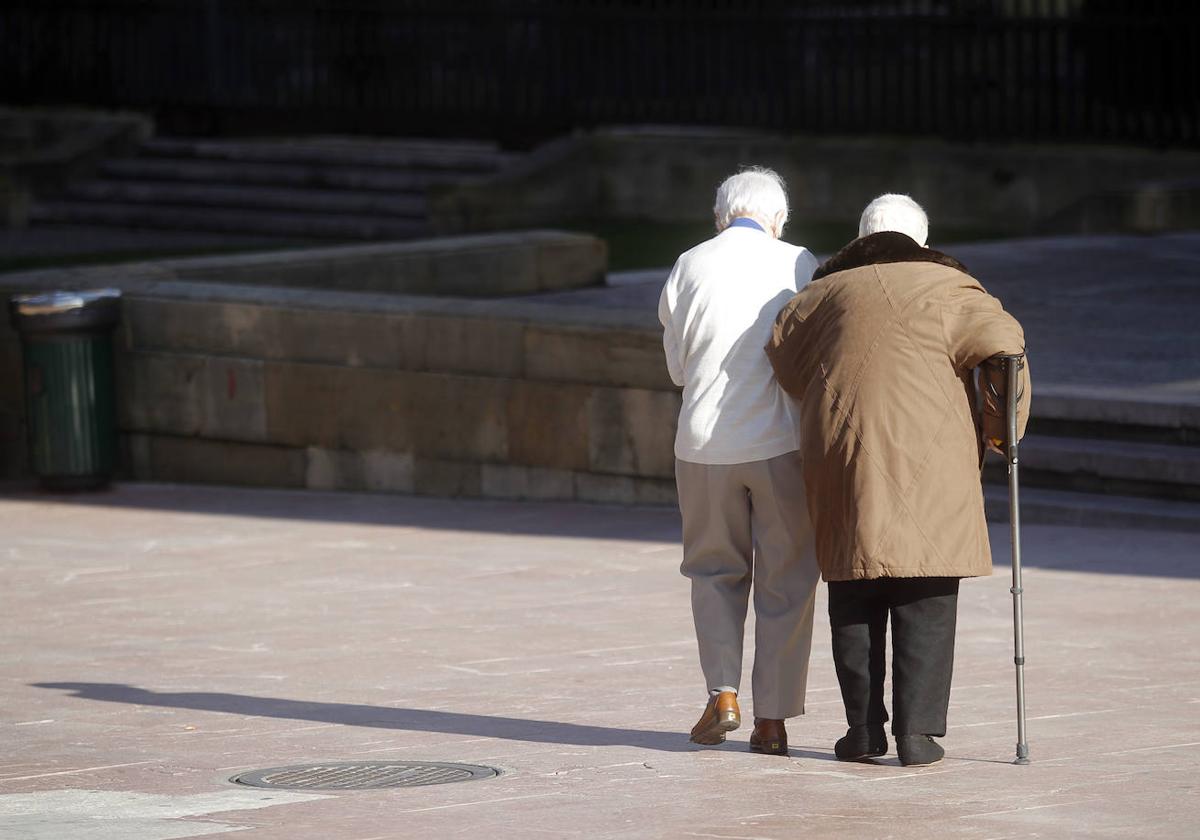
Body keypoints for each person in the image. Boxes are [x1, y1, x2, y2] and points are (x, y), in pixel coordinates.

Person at [766, 193, 1032, 767]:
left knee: (854, 591)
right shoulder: (954, 290)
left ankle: (862, 732)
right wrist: (1001, 432)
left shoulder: (819, 296)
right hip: (934, 467)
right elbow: (1006, 348)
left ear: (862, 237)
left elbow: (785, 363)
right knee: (927, 594)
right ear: (923, 239)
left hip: (845, 463)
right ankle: (918, 735)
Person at [658, 167, 822, 756]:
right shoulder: (799, 262)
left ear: (721, 215)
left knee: (712, 572)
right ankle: (772, 720)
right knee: (787, 581)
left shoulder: (689, 263)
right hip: (778, 443)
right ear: (779, 218)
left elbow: (678, 368)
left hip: (702, 445)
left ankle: (723, 694)